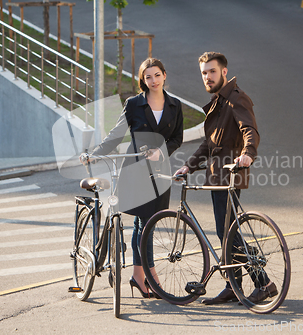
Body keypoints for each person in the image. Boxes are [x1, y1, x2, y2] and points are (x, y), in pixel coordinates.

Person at [175, 52, 276, 305]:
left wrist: (248, 154)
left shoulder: (236, 99)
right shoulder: (219, 103)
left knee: (227, 232)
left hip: (229, 174)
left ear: (224, 72)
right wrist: (189, 166)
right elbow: (209, 144)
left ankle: (263, 282)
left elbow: (249, 130)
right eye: (204, 73)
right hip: (215, 175)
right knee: (226, 232)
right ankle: (234, 285)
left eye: (212, 71)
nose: (207, 77)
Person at [88, 58, 183, 298]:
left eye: (157, 75)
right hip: (136, 171)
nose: (153, 80)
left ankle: (138, 276)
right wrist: (95, 154)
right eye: (148, 77)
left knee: (145, 224)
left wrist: (161, 151)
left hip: (160, 172)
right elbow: (116, 135)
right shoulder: (133, 105)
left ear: (164, 75)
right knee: (145, 224)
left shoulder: (175, 105)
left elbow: (177, 139)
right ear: (143, 80)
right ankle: (150, 276)